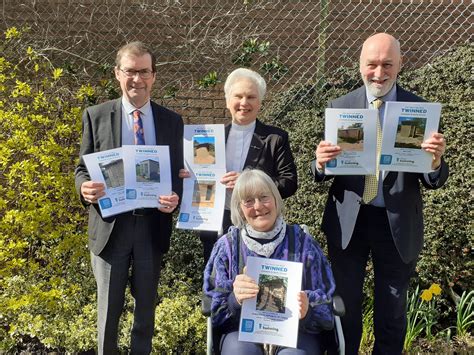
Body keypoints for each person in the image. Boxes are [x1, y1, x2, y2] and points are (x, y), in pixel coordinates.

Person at [311, 33, 449, 354]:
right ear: (360, 65)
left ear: (400, 64)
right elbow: (320, 172)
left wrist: (435, 161)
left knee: (392, 312)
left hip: (396, 224)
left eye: (387, 64)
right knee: (345, 307)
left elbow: (434, 179)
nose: (379, 72)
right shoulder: (341, 107)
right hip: (349, 223)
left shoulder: (419, 110)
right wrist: (320, 164)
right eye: (372, 64)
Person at [74, 41, 183, 354]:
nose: (138, 79)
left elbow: (176, 173)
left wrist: (175, 196)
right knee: (108, 312)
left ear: (153, 76)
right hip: (111, 228)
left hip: (151, 228)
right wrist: (84, 189)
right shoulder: (95, 116)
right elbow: (82, 169)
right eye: (130, 71)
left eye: (144, 72)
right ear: (117, 74)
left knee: (145, 312)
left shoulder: (171, 121)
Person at [203, 169, 335, 354]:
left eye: (264, 197)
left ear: (275, 199)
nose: (258, 206)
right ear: (240, 208)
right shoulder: (227, 247)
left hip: (297, 332)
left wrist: (308, 310)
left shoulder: (304, 244)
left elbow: (327, 303)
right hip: (241, 331)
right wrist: (234, 300)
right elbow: (212, 309)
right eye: (248, 201)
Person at [180, 68, 298, 263]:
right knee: (217, 281)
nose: (244, 103)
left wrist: (248, 183)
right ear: (227, 101)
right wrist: (189, 176)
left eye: (251, 97)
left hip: (257, 222)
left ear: (260, 102)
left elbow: (290, 182)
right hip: (216, 221)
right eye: (238, 96)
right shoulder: (208, 139)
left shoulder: (275, 138)